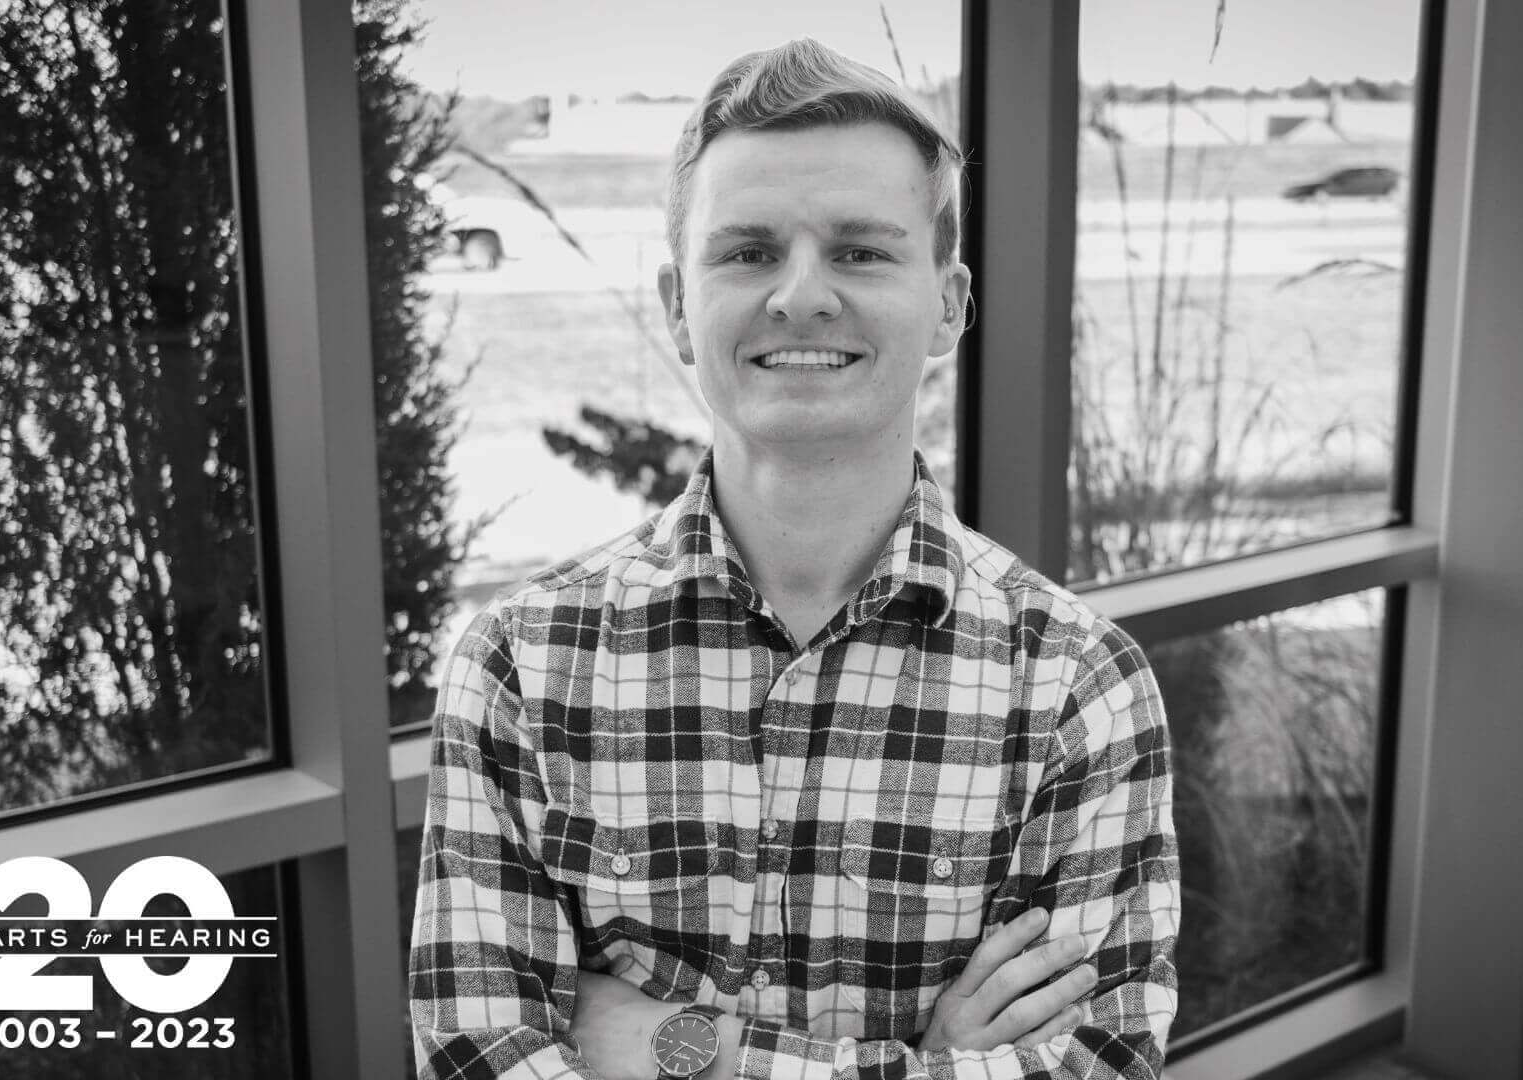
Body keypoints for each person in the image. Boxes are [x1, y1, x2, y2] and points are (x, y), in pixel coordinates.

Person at [409, 37, 1179, 1080]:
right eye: (749, 252)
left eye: (861, 251)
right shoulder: (523, 664)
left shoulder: (1079, 690)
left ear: (948, 304)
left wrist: (691, 1053)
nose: (802, 295)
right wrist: (931, 1061)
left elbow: (1100, 1066)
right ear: (680, 306)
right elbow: (477, 1058)